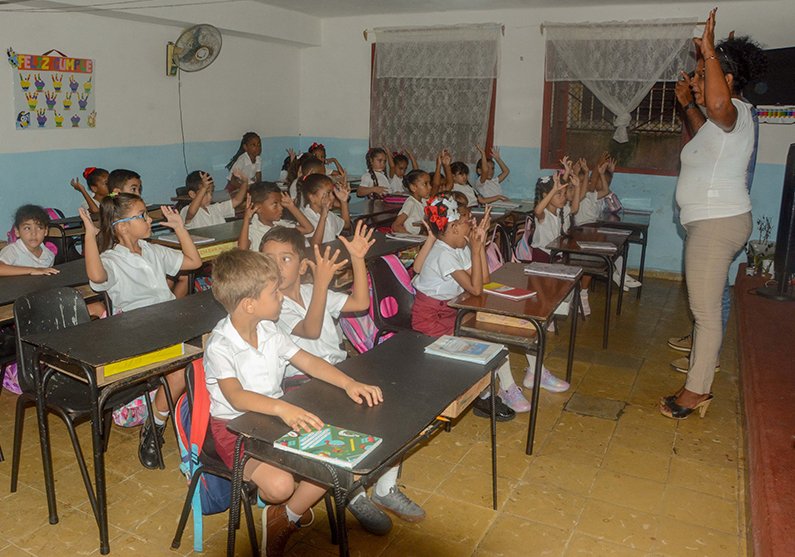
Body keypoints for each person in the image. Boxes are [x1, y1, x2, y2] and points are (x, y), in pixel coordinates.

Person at [204, 249, 382, 556]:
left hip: (273, 417)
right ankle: (285, 503)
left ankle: (285, 516)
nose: (281, 298)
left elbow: (308, 361)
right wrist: (282, 408)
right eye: (274, 293)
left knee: (342, 463)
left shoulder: (269, 330)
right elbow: (235, 396)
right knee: (280, 487)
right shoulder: (221, 345)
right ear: (250, 304)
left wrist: (348, 382)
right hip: (234, 427)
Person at [261, 223, 426, 533]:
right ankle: (352, 492)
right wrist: (322, 285)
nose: (276, 267)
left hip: (339, 373)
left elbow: (360, 303)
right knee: (352, 429)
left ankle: (385, 488)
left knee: (398, 409)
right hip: (302, 384)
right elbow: (309, 330)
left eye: (285, 259)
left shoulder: (311, 290)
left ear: (303, 264)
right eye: (268, 259)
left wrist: (358, 259)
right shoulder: (272, 306)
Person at [660, 9, 765, 419]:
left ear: (728, 81)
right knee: (707, 306)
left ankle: (696, 391)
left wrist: (709, 54)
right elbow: (705, 127)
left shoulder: (738, 113)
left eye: (702, 77)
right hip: (713, 223)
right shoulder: (721, 126)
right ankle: (700, 380)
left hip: (716, 224)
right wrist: (687, 102)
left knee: (704, 313)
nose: (698, 83)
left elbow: (719, 108)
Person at [78, 193, 203, 467]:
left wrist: (180, 227)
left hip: (169, 320)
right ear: (122, 226)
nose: (149, 220)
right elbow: (97, 278)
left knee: (211, 349)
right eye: (142, 215)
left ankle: (202, 426)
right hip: (137, 330)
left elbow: (194, 263)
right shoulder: (112, 259)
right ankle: (155, 426)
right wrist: (90, 235)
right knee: (181, 367)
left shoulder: (153, 250)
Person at [410, 196, 531, 417]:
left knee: (491, 331)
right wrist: (476, 250)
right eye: (467, 222)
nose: (472, 225)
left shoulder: (457, 247)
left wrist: (480, 247)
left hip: (450, 310)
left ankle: (505, 388)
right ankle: (485, 396)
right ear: (454, 228)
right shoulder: (442, 253)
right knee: (482, 340)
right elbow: (475, 290)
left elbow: (483, 281)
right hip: (430, 318)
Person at [237, 182, 317, 251]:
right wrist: (246, 218)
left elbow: (308, 229)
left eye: (280, 203)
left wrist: (291, 207)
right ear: (258, 208)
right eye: (275, 204)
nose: (281, 208)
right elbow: (242, 250)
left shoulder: (281, 224)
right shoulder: (253, 229)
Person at [0, 204, 58, 276]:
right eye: (27, 228)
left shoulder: (49, 255)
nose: (33, 233)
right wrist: (33, 270)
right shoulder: (13, 250)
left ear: (46, 231)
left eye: (39, 228)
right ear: (17, 232)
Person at [180, 170, 249, 229]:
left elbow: (237, 200)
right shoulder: (186, 210)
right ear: (192, 194)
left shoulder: (215, 208)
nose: (210, 197)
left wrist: (245, 182)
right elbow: (191, 213)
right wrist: (204, 188)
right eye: (205, 193)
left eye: (211, 192)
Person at [298, 173, 351, 245]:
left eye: (333, 193)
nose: (332, 197)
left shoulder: (329, 215)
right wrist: (323, 217)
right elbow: (314, 246)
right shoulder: (305, 219)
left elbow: (346, 225)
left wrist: (343, 202)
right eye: (328, 193)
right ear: (312, 198)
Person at [391, 169, 432, 234]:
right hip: (413, 239)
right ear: (413, 188)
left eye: (430, 183)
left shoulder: (424, 201)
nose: (430, 187)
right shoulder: (410, 203)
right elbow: (395, 226)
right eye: (425, 184)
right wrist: (412, 237)